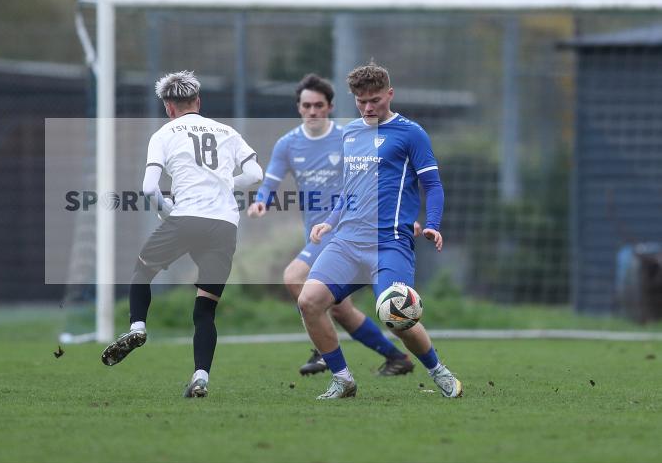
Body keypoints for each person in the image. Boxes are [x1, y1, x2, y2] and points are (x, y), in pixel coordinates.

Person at [297, 61, 463, 400]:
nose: (369, 107)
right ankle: (343, 379)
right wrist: (330, 220)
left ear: (390, 94)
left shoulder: (411, 133)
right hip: (346, 240)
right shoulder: (351, 133)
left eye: (375, 99)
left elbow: (432, 184)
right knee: (309, 301)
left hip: (390, 243)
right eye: (361, 101)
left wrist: (431, 224)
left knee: (396, 317)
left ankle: (438, 370)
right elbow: (350, 189)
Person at [100, 70, 263, 398]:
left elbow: (149, 188)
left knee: (143, 271)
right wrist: (226, 184)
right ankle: (200, 377)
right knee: (205, 308)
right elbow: (256, 175)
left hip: (186, 217)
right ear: (198, 101)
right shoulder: (226, 131)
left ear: (168, 107)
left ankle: (137, 327)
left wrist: (165, 210)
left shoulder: (164, 134)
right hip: (224, 224)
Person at [247, 74, 414, 377]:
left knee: (293, 276)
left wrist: (402, 215)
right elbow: (271, 179)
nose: (312, 111)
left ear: (330, 107)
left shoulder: (347, 137)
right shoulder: (288, 144)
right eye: (306, 105)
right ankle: (396, 357)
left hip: (347, 227)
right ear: (298, 107)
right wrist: (261, 201)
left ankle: (323, 351)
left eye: (318, 106)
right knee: (341, 310)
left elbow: (383, 179)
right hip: (318, 232)